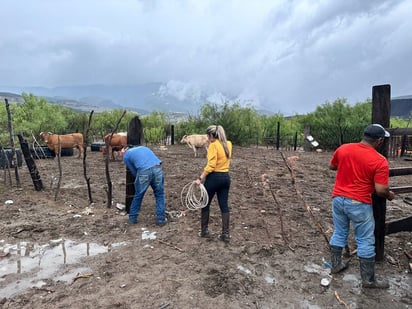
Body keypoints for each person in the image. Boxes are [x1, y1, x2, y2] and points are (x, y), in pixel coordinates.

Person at [328, 123, 395, 289]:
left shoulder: (344, 149)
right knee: (365, 240)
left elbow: (332, 166)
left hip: (338, 199)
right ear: (379, 141)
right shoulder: (379, 161)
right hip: (358, 203)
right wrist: (389, 195)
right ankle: (369, 280)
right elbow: (380, 190)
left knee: (340, 231)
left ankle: (336, 265)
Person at [195, 125, 233, 242]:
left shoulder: (213, 145)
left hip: (214, 178)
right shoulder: (228, 144)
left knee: (205, 203)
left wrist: (200, 178)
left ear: (211, 135)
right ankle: (225, 234)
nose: (207, 138)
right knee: (224, 206)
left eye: (208, 136)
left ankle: (204, 231)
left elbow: (211, 165)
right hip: (226, 177)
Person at [122, 146, 167, 226]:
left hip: (144, 171)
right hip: (157, 168)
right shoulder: (143, 147)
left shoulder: (126, 156)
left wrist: (140, 180)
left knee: (138, 195)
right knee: (159, 194)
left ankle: (132, 218)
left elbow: (133, 172)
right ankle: (161, 219)